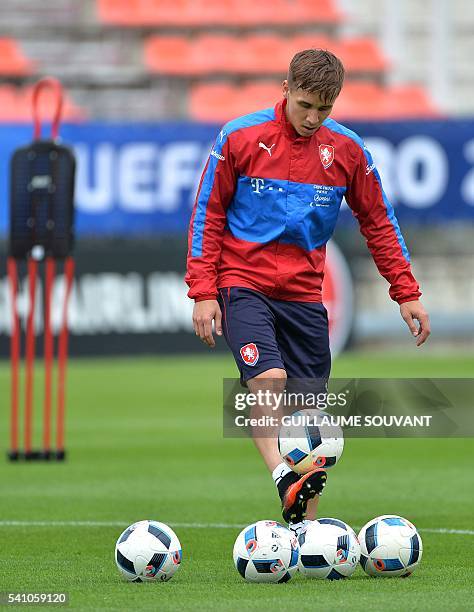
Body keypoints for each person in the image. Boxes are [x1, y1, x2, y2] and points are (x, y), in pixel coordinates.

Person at [185, 49, 430, 531]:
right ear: (285, 88)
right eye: (305, 106)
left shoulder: (348, 150)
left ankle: (304, 532)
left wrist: (406, 292)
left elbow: (379, 221)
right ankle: (281, 474)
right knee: (270, 381)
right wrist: (203, 290)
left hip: (303, 295)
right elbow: (206, 215)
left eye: (325, 109)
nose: (313, 118)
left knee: (311, 421)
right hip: (243, 282)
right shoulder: (239, 137)